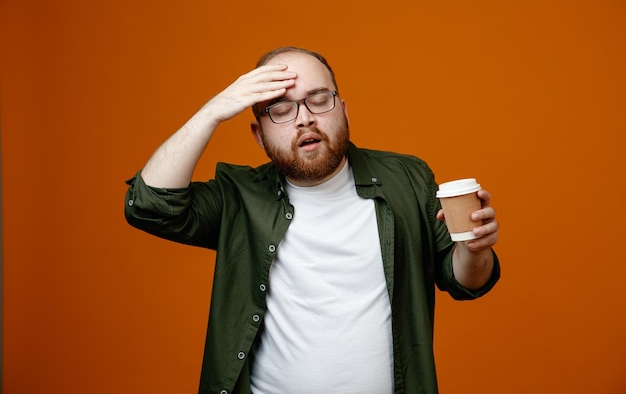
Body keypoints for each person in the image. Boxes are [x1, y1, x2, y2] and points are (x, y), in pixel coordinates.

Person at [124, 46, 501, 394]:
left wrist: (474, 249)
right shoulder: (239, 197)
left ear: (343, 110)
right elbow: (150, 205)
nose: (305, 118)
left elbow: (466, 282)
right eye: (281, 109)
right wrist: (215, 109)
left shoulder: (408, 178)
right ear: (259, 134)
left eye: (319, 100)